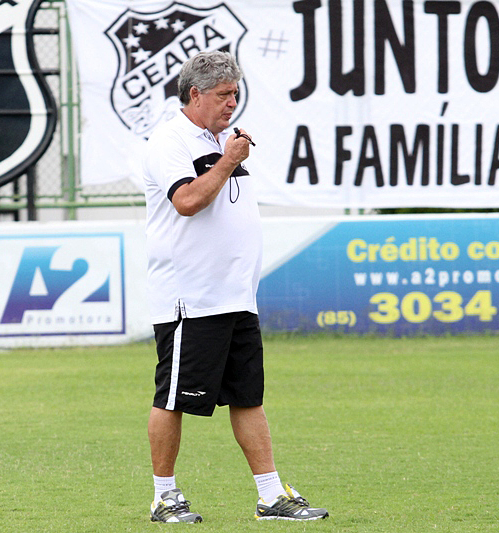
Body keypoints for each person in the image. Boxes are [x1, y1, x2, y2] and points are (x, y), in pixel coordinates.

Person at [140, 50, 329, 523]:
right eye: (224, 94)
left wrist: (227, 152)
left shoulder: (223, 139)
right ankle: (164, 496)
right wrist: (227, 161)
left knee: (248, 398)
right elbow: (187, 201)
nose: (232, 103)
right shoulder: (169, 140)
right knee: (172, 398)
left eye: (236, 94)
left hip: (236, 297)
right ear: (195, 94)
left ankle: (271, 496)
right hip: (191, 298)